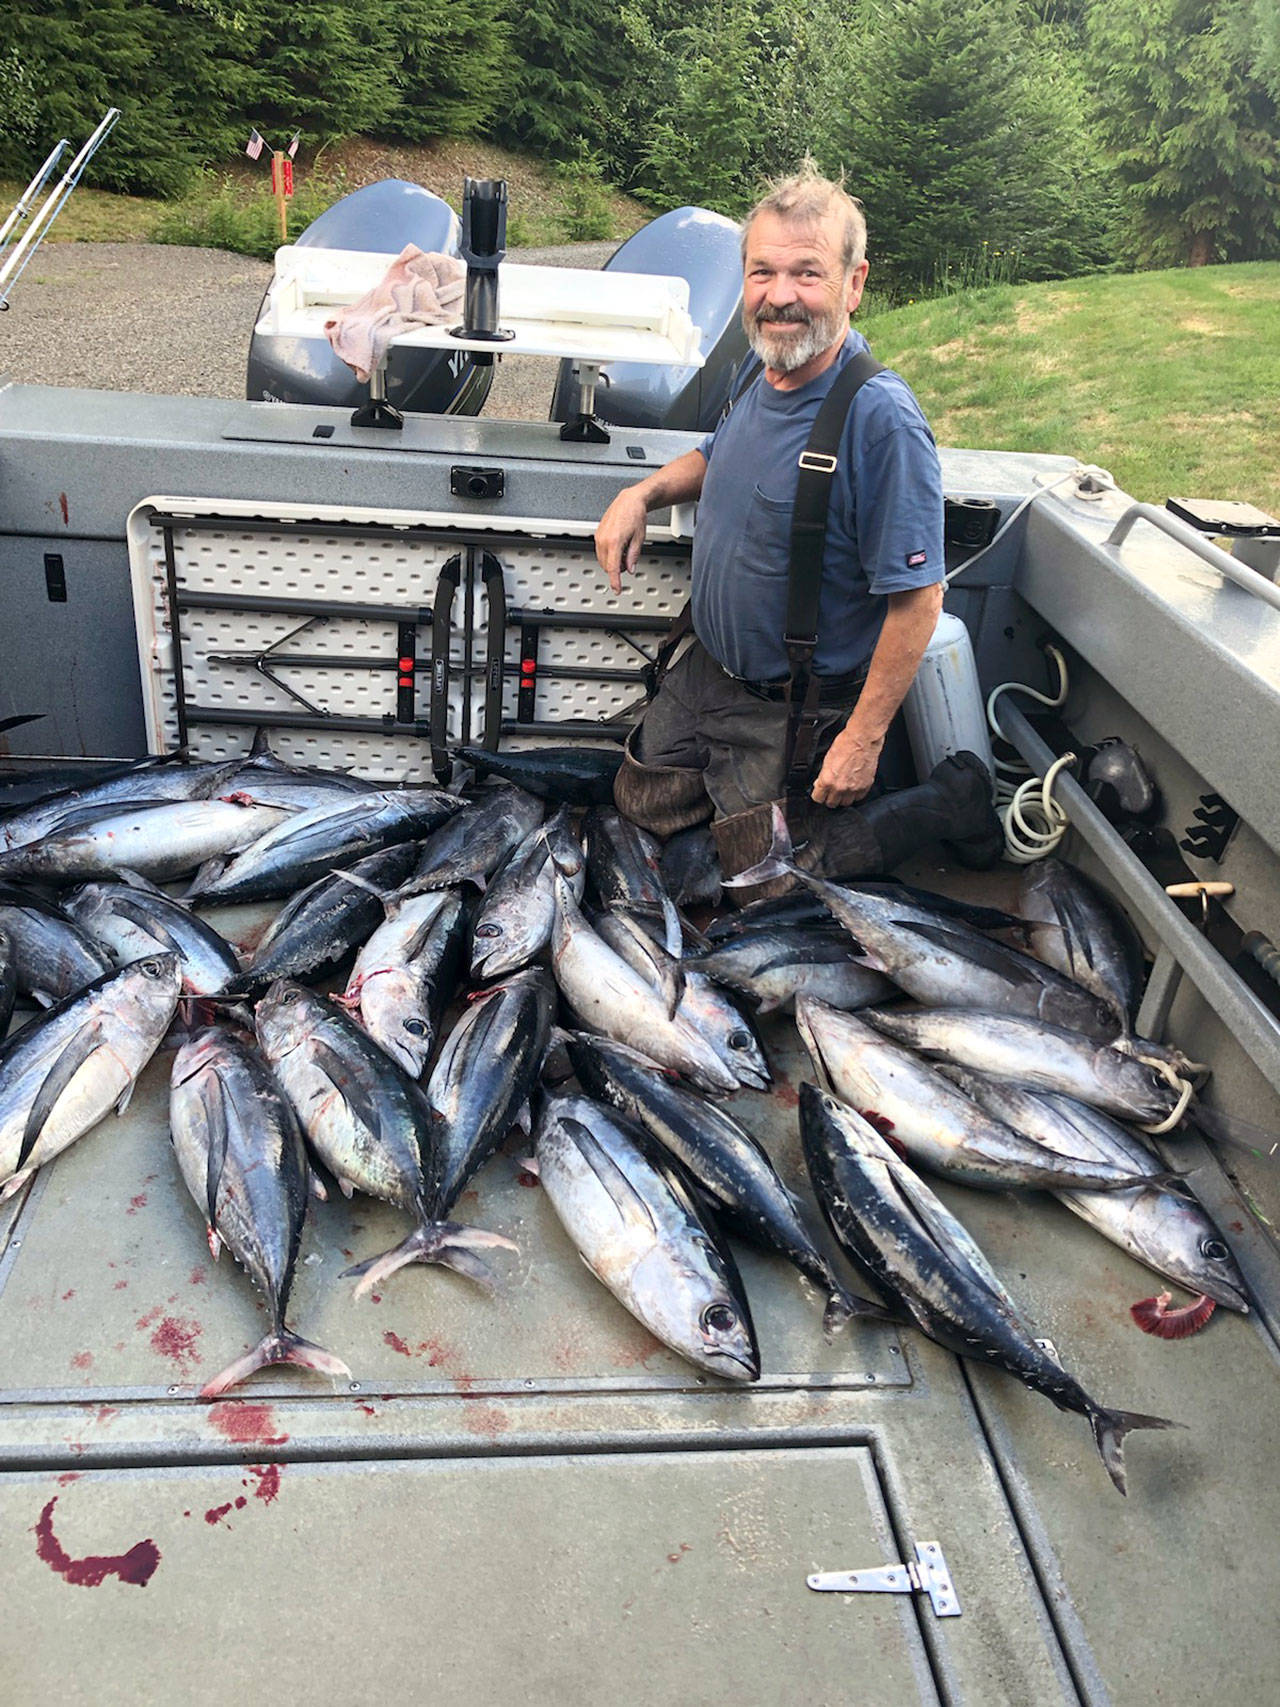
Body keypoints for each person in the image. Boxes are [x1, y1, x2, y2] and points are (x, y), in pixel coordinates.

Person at [593, 165, 1001, 885]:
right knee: (636, 799)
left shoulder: (880, 420)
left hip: (793, 710)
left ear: (854, 282)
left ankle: (946, 804)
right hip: (705, 672)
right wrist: (643, 493)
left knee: (772, 895)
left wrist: (862, 741)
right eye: (763, 272)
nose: (780, 295)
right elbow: (720, 454)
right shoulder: (763, 364)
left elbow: (919, 601)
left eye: (807, 273)